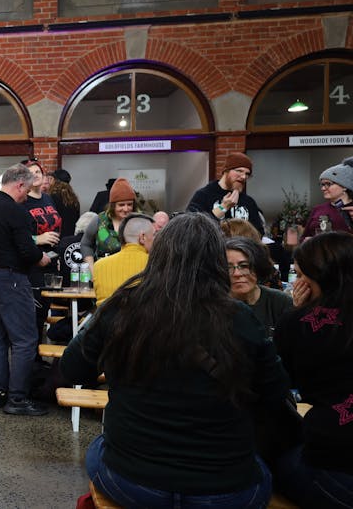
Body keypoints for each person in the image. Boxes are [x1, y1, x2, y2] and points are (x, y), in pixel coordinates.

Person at [60, 213, 291, 508]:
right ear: (217, 261)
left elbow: (71, 368)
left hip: (133, 482)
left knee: (98, 448)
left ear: (157, 255)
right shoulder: (240, 318)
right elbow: (275, 393)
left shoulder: (122, 307)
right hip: (223, 490)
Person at [274, 232, 353, 508]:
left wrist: (299, 312)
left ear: (313, 277)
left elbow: (287, 383)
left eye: (299, 274)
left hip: (332, 455)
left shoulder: (297, 323)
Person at [0, 163, 51, 415]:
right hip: (11, 278)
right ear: (19, 184)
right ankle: (17, 398)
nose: (26, 195)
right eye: (26, 190)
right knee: (25, 339)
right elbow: (26, 250)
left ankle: (0, 393)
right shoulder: (17, 212)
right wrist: (41, 257)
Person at [224, 236, 292, 336]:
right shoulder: (213, 306)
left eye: (244, 266)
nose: (237, 273)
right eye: (228, 267)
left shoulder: (281, 302)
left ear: (258, 267)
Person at [187, 152, 265, 236]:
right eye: (239, 171)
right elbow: (192, 227)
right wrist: (223, 207)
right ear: (226, 171)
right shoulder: (203, 195)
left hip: (241, 247)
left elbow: (259, 233)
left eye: (247, 174)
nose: (243, 177)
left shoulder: (248, 201)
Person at [92, 213, 155, 303]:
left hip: (106, 316)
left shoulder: (98, 266)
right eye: (154, 235)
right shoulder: (155, 264)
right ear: (142, 237)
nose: (156, 239)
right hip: (142, 317)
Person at [81, 178, 140, 268]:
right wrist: (92, 270)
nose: (126, 209)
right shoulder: (99, 220)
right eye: (121, 205)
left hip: (132, 274)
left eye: (129, 204)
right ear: (112, 205)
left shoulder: (140, 221)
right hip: (104, 274)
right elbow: (85, 244)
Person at [303, 157, 353, 238]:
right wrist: (307, 241)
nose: (323, 188)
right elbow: (304, 237)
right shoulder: (317, 209)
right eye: (322, 184)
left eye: (328, 184)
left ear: (344, 186)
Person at [47, 169, 80, 237]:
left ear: (54, 180)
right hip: (71, 236)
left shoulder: (52, 197)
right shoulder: (73, 198)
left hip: (57, 236)